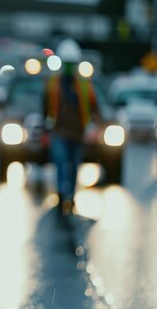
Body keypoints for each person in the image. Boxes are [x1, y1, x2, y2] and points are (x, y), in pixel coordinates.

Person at [43, 38, 99, 215]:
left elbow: (92, 105)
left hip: (77, 132)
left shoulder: (83, 84)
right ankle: (61, 193)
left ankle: (71, 194)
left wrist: (92, 125)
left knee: (74, 164)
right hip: (59, 131)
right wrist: (47, 123)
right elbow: (46, 104)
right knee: (60, 161)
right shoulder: (53, 82)